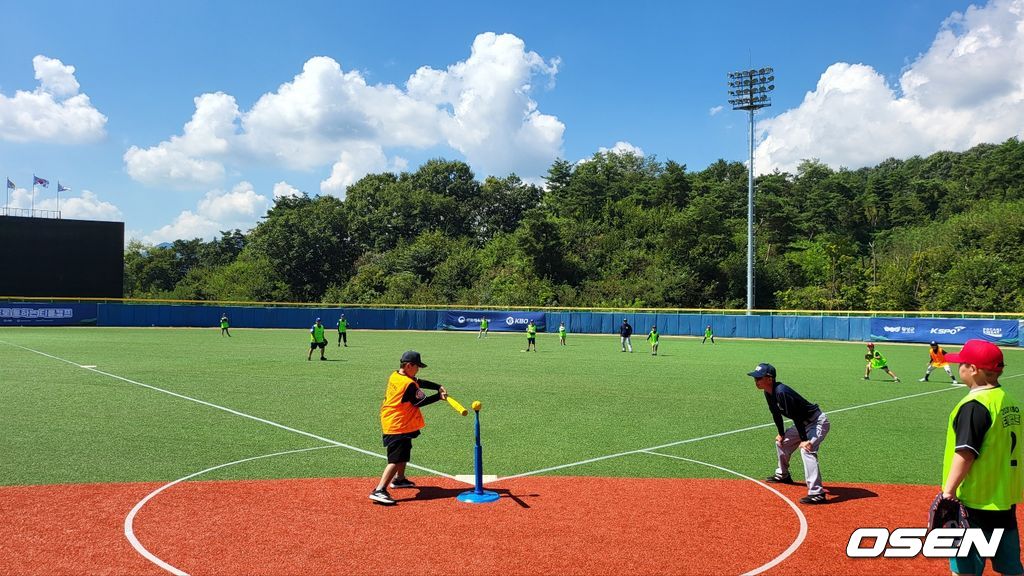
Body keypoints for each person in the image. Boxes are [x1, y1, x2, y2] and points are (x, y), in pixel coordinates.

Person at [940, 339, 1021, 575]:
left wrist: (948, 492)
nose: (959, 368)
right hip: (1003, 499)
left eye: (962, 364)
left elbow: (966, 453)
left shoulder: (975, 405)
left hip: (974, 501)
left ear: (973, 369)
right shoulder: (1009, 401)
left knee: (964, 570)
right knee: (1010, 568)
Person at [369, 350, 448, 506]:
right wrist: (439, 396)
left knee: (405, 449)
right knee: (395, 458)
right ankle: (380, 490)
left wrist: (437, 386)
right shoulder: (408, 384)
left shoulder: (396, 375)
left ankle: (400, 479)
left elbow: (418, 381)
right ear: (409, 365)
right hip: (397, 424)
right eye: (417, 366)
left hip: (399, 421)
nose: (418, 369)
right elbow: (419, 402)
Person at [750, 363, 831, 505]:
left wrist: (805, 440)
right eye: (755, 378)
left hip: (816, 422)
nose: (755, 381)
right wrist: (781, 433)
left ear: (769, 379)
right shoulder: (768, 392)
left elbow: (797, 416)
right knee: (781, 443)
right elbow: (776, 414)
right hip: (802, 424)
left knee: (807, 450)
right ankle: (783, 474)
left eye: (759, 378)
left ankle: (817, 493)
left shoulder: (781, 392)